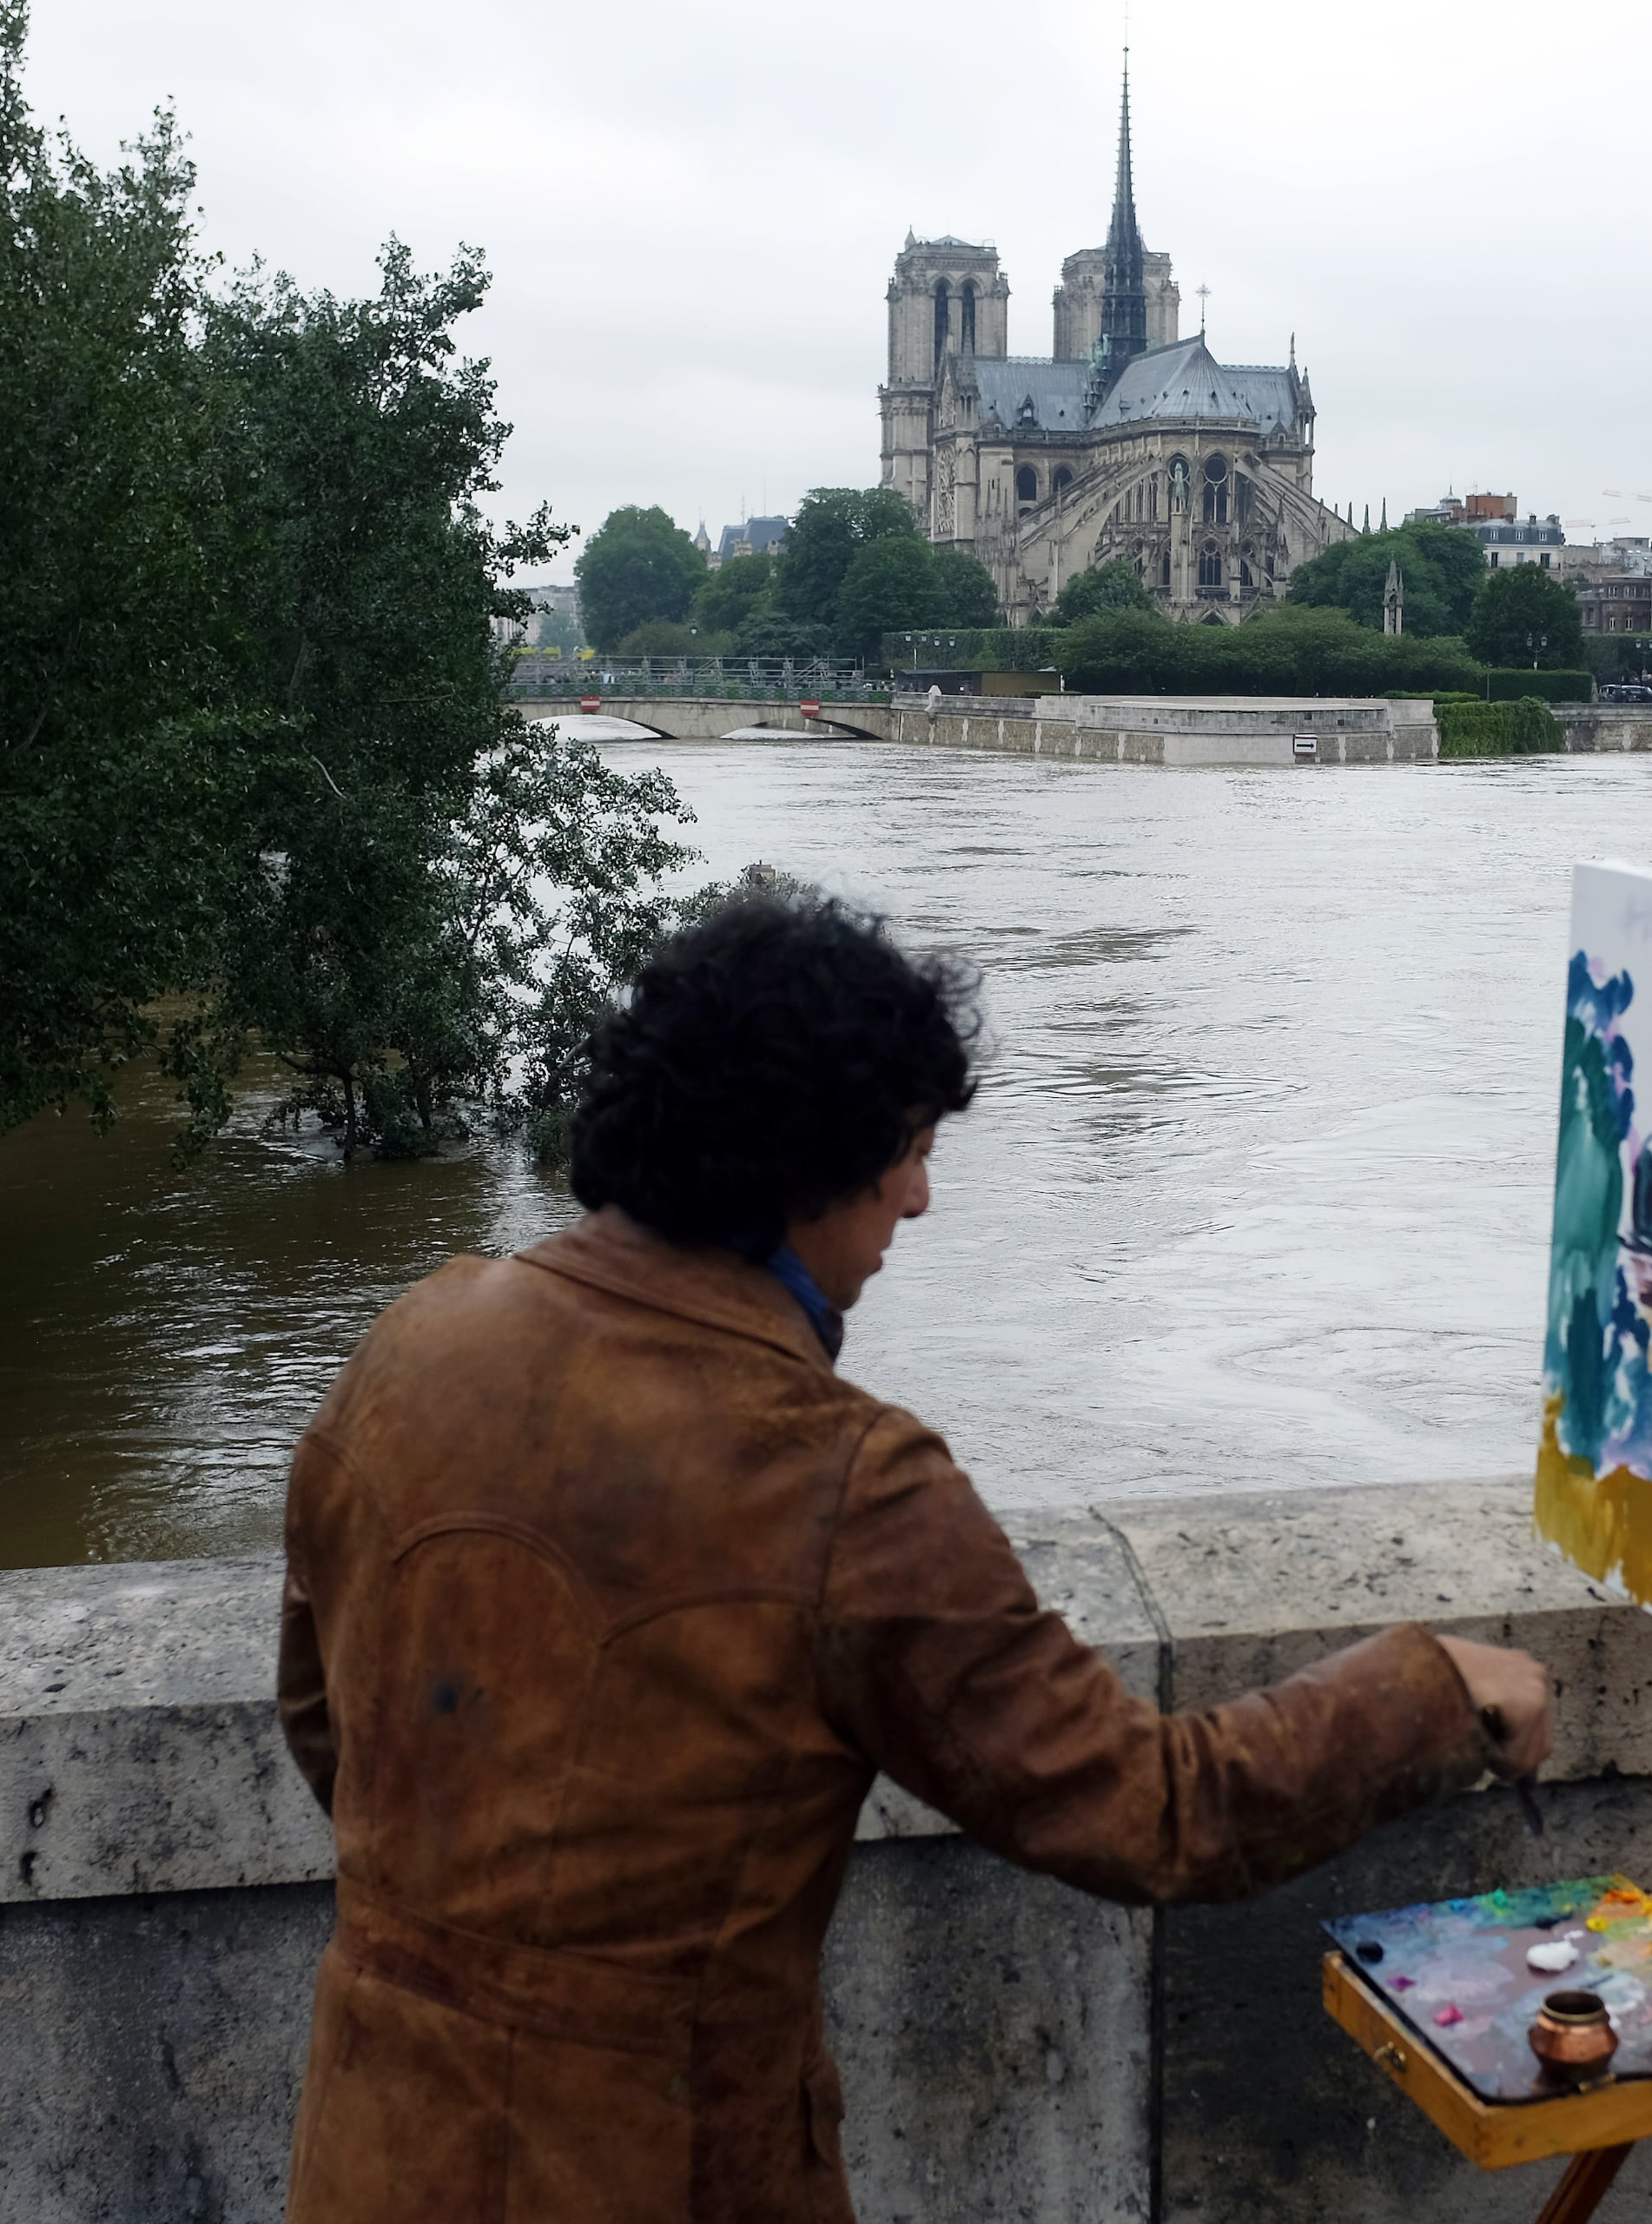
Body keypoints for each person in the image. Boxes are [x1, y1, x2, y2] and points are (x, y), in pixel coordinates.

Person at [274, 891, 1553, 2222]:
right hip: (664, 2169)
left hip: (373, 2145)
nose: (924, 1198)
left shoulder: (412, 1345)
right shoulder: (836, 1478)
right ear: (808, 1160)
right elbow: (1152, 1812)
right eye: (910, 1150)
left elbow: (328, 1724)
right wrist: (1433, 1688)